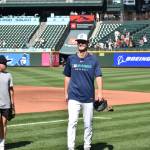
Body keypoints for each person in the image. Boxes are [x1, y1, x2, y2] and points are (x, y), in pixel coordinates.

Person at [64, 33, 103, 150]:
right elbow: (67, 76)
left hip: (88, 98)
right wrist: (65, 93)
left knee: (88, 124)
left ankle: (87, 146)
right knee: (72, 123)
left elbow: (99, 76)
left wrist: (100, 92)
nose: (80, 43)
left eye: (83, 41)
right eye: (79, 41)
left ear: (87, 43)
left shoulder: (93, 60)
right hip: (74, 96)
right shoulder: (71, 59)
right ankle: (71, 147)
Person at [0, 55, 15, 150]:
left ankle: (2, 143)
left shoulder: (8, 75)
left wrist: (13, 104)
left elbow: (11, 90)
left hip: (6, 104)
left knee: (4, 124)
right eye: (4, 63)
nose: (6, 64)